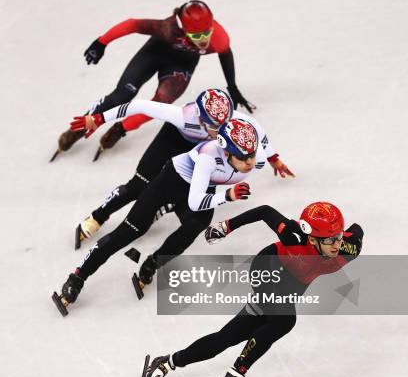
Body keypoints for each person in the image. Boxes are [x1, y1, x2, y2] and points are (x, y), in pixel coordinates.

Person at [139, 202, 364, 377]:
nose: (336, 244)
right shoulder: (293, 235)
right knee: (285, 320)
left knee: (226, 338)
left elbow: (357, 231)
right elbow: (265, 211)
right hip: (267, 268)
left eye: (337, 238)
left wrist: (341, 231)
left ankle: (168, 361)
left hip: (290, 287)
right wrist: (226, 227)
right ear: (312, 239)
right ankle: (237, 373)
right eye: (329, 240)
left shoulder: (347, 249)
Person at [52, 118, 267, 316]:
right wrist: (227, 196)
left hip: (200, 188)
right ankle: (78, 277)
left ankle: (153, 263)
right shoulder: (208, 158)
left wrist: (274, 159)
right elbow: (195, 202)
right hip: (171, 184)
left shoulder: (252, 159)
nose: (249, 162)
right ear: (227, 152)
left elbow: (263, 144)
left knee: (197, 223)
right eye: (243, 157)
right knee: (129, 232)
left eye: (252, 154)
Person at [70, 88, 294, 249]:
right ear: (201, 118)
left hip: (199, 153)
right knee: (138, 186)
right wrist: (99, 118)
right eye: (215, 127)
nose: (222, 130)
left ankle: (162, 206)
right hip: (174, 139)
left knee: (184, 192)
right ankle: (97, 216)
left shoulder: (232, 121)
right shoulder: (183, 116)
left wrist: (273, 158)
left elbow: (260, 135)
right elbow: (139, 106)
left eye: (225, 123)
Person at [52, 0, 254, 160]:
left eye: (206, 32)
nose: (203, 39)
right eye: (196, 34)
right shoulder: (168, 28)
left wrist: (232, 86)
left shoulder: (218, 36)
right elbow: (132, 24)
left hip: (181, 66)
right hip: (154, 53)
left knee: (161, 103)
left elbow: (225, 54)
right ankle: (80, 127)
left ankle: (120, 128)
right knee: (122, 95)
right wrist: (101, 41)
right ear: (183, 29)